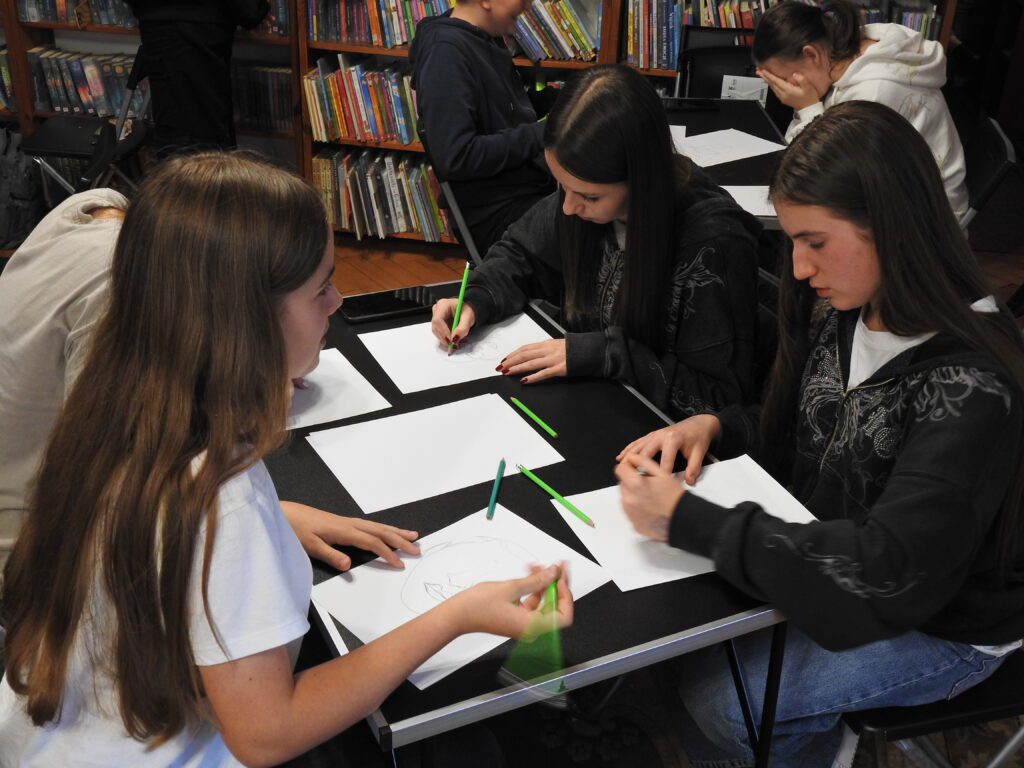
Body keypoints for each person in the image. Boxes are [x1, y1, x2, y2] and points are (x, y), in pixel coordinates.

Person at [0, 152, 573, 766]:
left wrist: (280, 519)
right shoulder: (222, 496)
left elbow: (163, 534)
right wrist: (455, 616)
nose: (337, 302)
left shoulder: (117, 404)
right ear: (247, 321)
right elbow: (265, 733)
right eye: (320, 287)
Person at [614, 101, 1024, 767]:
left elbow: (885, 575)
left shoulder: (974, 390)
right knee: (682, 644)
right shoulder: (854, 301)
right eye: (793, 241)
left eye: (814, 242)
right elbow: (816, 423)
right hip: (848, 547)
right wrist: (720, 424)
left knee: (722, 702)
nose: (799, 269)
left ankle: (813, 744)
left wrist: (692, 522)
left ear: (890, 228)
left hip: (945, 622)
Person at [0, 185, 418, 580]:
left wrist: (273, 345)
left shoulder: (104, 209)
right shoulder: (119, 304)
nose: (336, 300)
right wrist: (269, 516)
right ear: (242, 312)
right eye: (321, 287)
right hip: (39, 560)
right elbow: (116, 503)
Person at [430, 64, 762, 420]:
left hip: (656, 441)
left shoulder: (712, 244)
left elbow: (715, 398)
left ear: (639, 178)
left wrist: (606, 353)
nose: (569, 208)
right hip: (592, 408)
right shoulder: (586, 199)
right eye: (562, 188)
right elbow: (520, 254)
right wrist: (476, 299)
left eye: (588, 197)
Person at [752, 0, 968, 221]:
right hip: (886, 188)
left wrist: (806, 108)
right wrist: (806, 108)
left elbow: (827, 176)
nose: (784, 89)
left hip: (925, 219)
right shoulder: (843, 52)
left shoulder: (873, 93)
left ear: (811, 55)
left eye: (784, 79)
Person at [409, 0, 556, 256]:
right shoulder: (445, 52)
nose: (529, 4)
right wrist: (544, 134)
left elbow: (502, 114)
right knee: (594, 224)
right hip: (496, 211)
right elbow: (457, 157)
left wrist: (558, 100)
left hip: (524, 189)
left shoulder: (484, 37)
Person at [128, 1, 271, 155]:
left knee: (177, 131)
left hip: (163, 28)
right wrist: (256, 9)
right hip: (193, 34)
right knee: (201, 142)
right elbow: (249, 13)